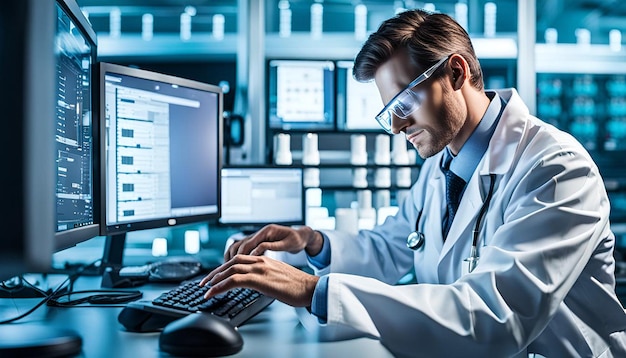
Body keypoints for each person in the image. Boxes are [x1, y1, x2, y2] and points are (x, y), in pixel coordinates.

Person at [200, 9, 626, 357]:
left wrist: (313, 290)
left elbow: (496, 317)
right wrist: (312, 242)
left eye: (404, 102)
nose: (400, 125)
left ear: (456, 73)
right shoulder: (442, 161)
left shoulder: (555, 169)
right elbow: (392, 247)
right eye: (390, 113)